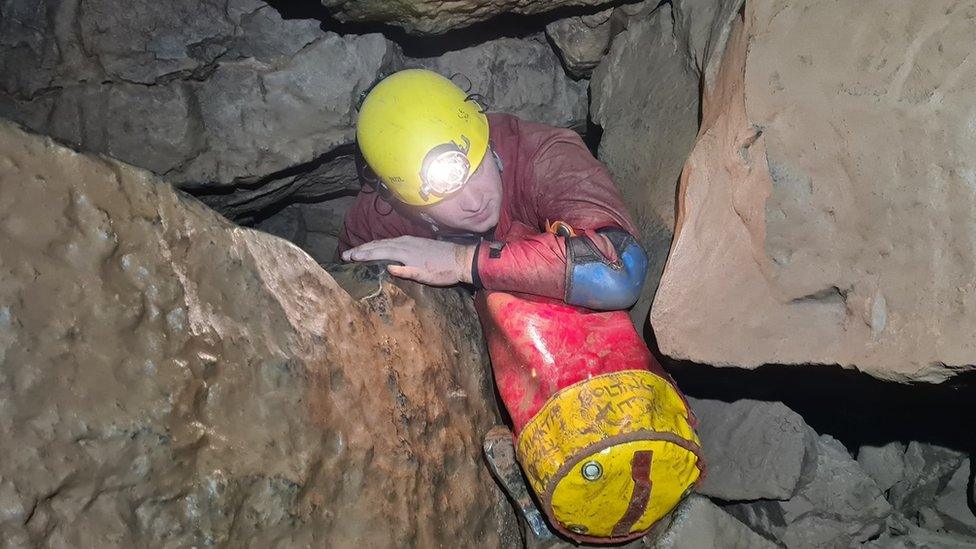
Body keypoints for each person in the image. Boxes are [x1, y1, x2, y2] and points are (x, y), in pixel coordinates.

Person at [340, 69, 702, 543]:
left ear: (485, 138)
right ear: (405, 203)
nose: (472, 201)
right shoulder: (379, 216)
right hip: (476, 372)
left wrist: (462, 261)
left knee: (521, 292)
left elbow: (619, 274)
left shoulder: (543, 154)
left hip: (584, 367)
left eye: (475, 170)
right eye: (445, 195)